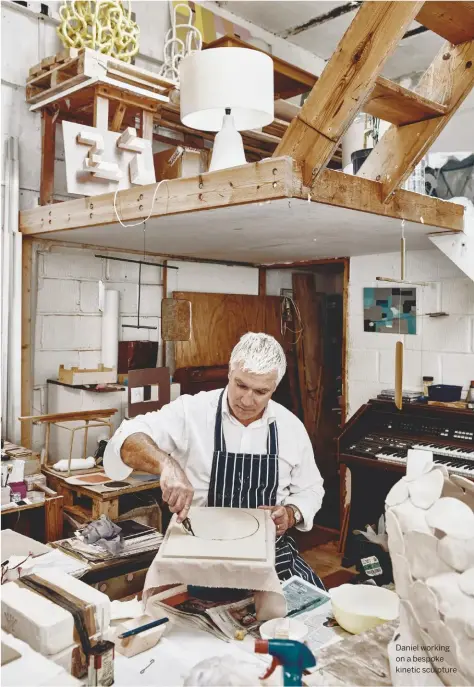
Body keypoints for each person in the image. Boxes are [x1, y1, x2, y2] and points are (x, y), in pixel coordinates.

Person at [104, 332, 325, 586]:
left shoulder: (290, 428)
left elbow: (310, 489)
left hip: (271, 558)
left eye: (261, 391)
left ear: (275, 387)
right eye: (241, 385)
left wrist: (291, 513)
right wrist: (166, 465)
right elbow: (125, 439)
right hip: (199, 555)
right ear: (230, 373)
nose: (247, 399)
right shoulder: (191, 412)